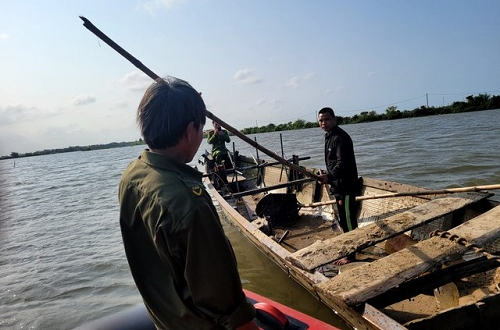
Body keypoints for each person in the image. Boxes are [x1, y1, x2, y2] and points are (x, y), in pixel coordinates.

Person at [118, 77, 257, 330]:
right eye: (201, 130)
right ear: (191, 129)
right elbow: (229, 311)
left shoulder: (133, 175)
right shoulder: (189, 202)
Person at [317, 107, 360, 265]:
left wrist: (329, 176)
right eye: (321, 120)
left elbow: (343, 163)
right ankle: (352, 248)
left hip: (346, 187)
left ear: (334, 120)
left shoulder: (340, 137)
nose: (324, 123)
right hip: (338, 186)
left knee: (348, 221)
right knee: (344, 219)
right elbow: (334, 161)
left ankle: (351, 255)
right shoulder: (330, 136)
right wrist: (328, 173)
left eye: (327, 119)